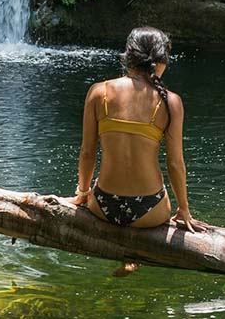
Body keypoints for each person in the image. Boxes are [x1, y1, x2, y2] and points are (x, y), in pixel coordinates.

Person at [69, 26, 209, 247]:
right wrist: (184, 209)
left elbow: (88, 152)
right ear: (160, 60)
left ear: (129, 56)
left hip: (103, 206)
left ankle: (127, 258)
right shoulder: (170, 102)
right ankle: (134, 259)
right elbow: (175, 164)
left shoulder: (99, 92)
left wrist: (82, 193)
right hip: (150, 211)